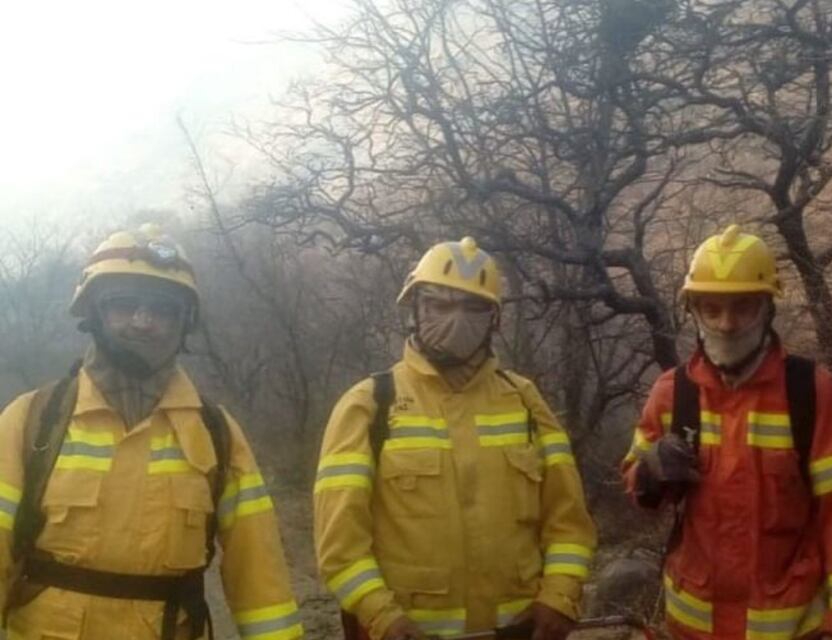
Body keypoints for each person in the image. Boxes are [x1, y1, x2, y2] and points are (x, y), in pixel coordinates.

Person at [0, 224, 302, 640]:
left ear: (184, 324)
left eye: (163, 309)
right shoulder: (32, 419)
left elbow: (260, 575)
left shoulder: (216, 433)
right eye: (124, 304)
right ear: (93, 314)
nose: (144, 322)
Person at [314, 237, 596, 640]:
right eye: (439, 305)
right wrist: (381, 616)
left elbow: (568, 521)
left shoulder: (524, 401)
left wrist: (560, 596)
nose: (456, 320)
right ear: (414, 308)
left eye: (473, 308)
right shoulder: (369, 405)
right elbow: (340, 545)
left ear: (494, 320)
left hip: (518, 631)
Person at [622, 225, 832, 640]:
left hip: (791, 630)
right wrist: (649, 470)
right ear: (694, 311)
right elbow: (638, 486)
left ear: (767, 308)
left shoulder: (810, 392)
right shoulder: (672, 393)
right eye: (712, 308)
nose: (727, 323)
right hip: (692, 627)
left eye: (743, 307)